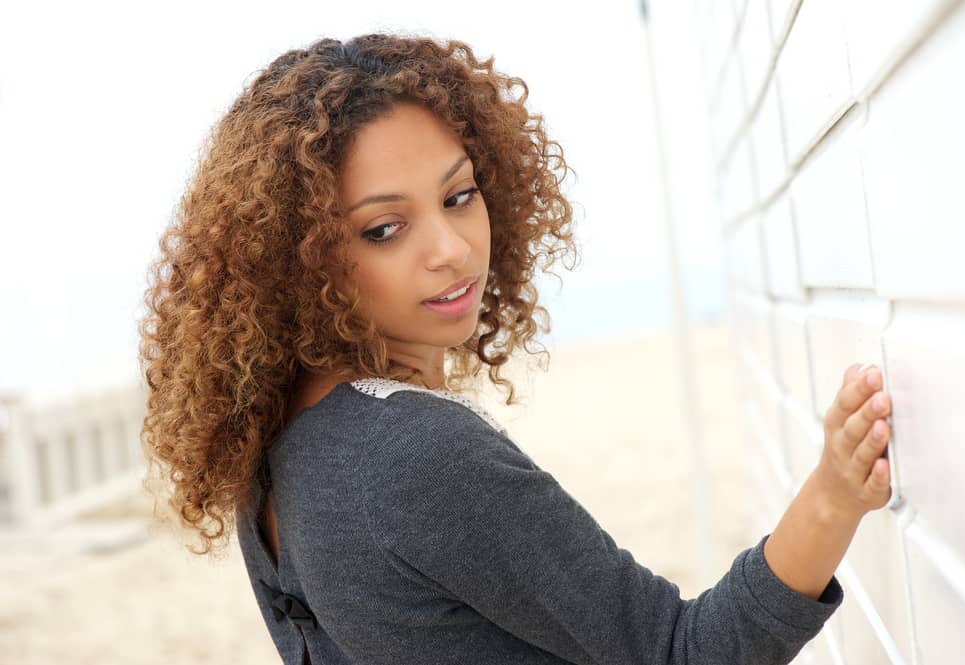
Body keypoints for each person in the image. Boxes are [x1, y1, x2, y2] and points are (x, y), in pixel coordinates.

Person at [138, 33, 894, 665]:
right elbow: (682, 652)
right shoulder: (416, 455)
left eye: (459, 195)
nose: (450, 248)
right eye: (382, 228)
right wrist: (833, 492)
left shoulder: (273, 444)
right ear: (297, 256)